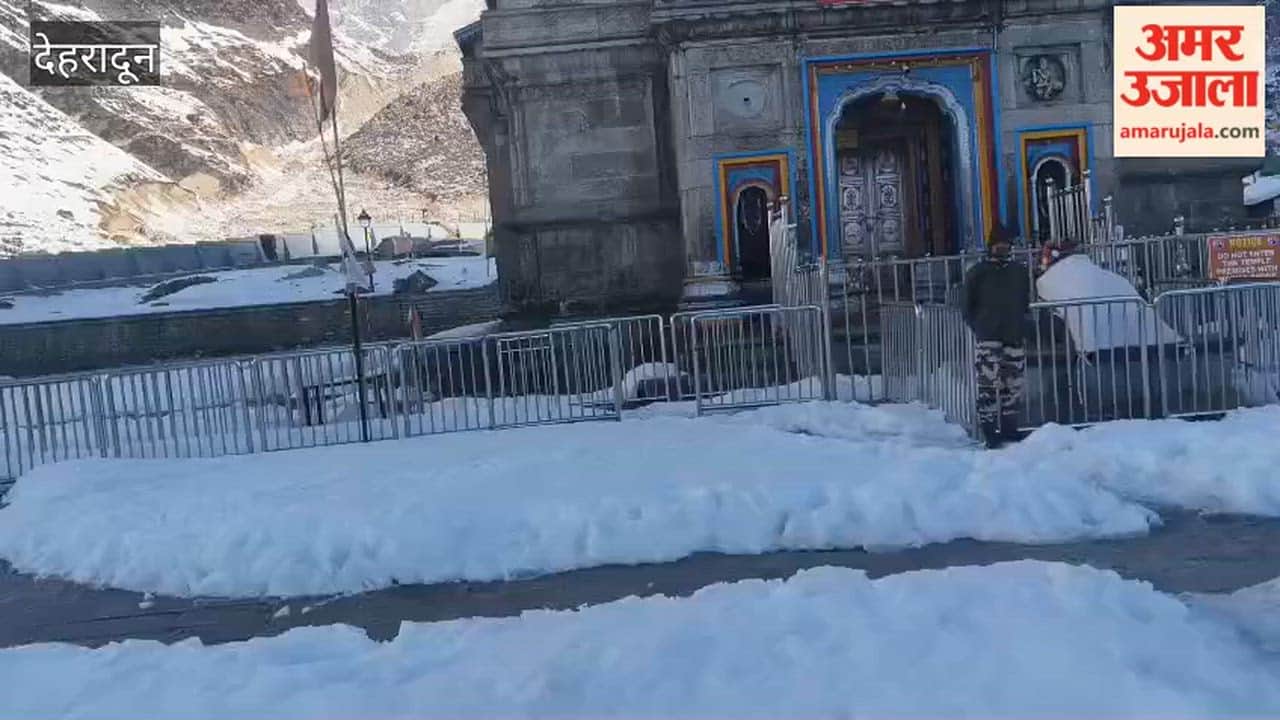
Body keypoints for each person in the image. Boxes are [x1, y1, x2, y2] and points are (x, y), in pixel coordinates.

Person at [962, 228, 1032, 449]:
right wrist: (980, 327)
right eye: (998, 243)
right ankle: (990, 431)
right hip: (989, 337)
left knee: (1013, 385)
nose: (1002, 247)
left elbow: (1025, 300)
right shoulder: (978, 272)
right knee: (988, 385)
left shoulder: (1018, 272)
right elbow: (967, 306)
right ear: (990, 245)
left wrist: (1021, 324)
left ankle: (1010, 428)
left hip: (1013, 335)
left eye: (1006, 243)